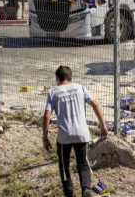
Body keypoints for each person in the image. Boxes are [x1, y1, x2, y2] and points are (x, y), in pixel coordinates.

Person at [43, 66, 108, 197]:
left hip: (64, 137)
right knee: (83, 163)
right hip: (81, 134)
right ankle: (86, 189)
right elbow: (95, 104)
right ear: (70, 77)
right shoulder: (80, 87)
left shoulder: (53, 92)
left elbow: (46, 116)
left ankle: (69, 193)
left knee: (64, 165)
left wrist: (45, 137)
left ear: (57, 78)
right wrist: (103, 125)